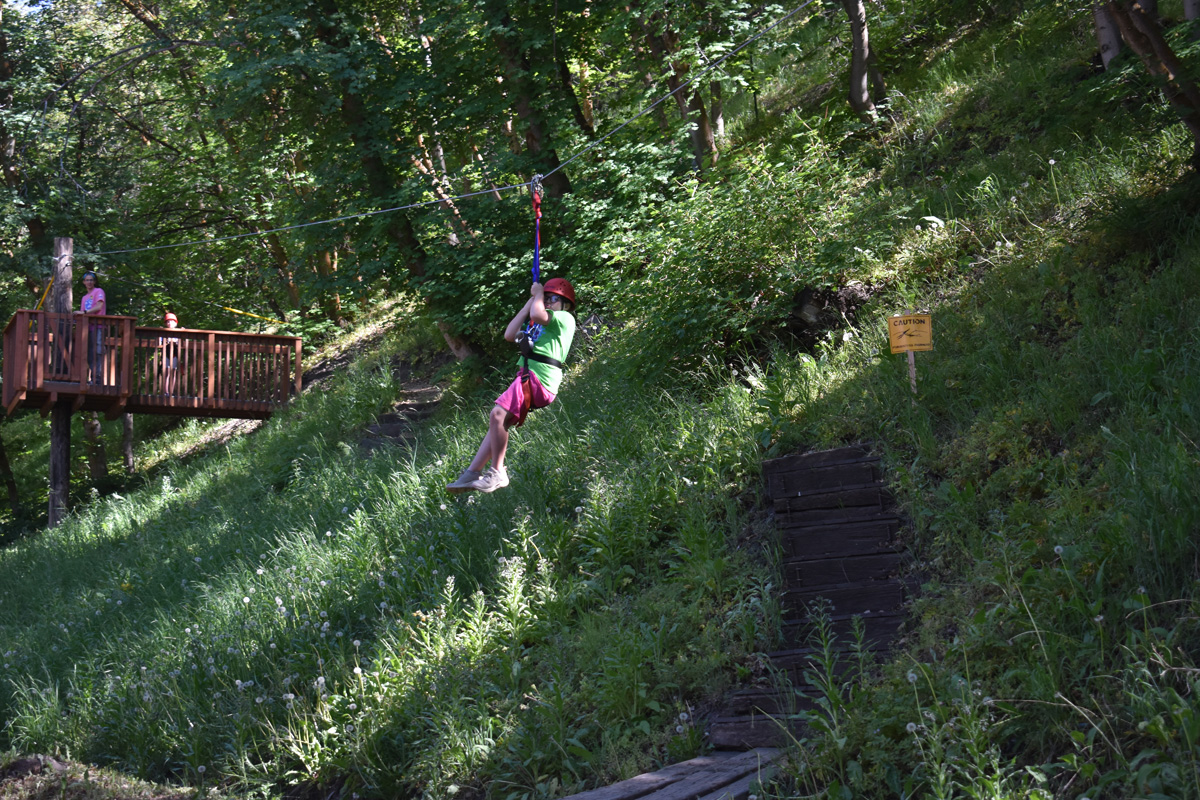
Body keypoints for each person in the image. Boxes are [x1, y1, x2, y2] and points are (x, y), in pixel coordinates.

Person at [447, 278, 576, 494]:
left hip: (540, 378)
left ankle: (497, 471)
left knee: (497, 414)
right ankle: (473, 472)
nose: (547, 302)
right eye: (546, 298)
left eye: (553, 299)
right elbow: (510, 334)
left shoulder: (565, 318)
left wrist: (538, 295)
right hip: (528, 376)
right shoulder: (539, 325)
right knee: (499, 422)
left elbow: (538, 314)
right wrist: (527, 306)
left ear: (566, 304)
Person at [76, 271, 107, 384]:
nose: (89, 282)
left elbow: (99, 306)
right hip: (88, 328)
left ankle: (98, 378)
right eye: (87, 280)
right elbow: (82, 313)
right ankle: (93, 378)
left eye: (91, 280)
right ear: (84, 282)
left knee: (98, 351)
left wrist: (84, 312)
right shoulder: (84, 298)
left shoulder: (99, 291)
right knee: (89, 353)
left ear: (94, 281)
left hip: (98, 326)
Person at [161, 312, 181, 395]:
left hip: (175, 354)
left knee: (174, 373)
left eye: (171, 321)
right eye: (168, 322)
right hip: (166, 354)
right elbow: (160, 342)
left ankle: (172, 392)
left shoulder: (178, 332)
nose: (169, 323)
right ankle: (166, 391)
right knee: (167, 373)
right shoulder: (163, 332)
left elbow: (180, 343)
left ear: (175, 323)